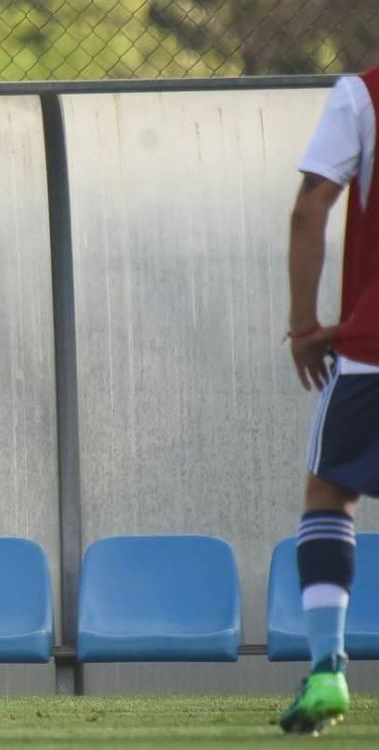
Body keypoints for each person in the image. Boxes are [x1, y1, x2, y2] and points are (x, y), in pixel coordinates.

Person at [279, 66, 379, 735]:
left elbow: (309, 207)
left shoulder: (364, 94)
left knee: (331, 491)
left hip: (373, 345)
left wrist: (304, 326)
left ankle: (326, 669)